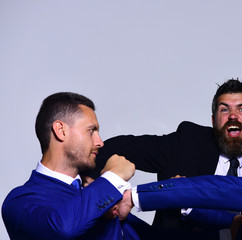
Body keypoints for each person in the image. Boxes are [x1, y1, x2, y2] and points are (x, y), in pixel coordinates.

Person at [85, 79, 242, 239]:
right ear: (213, 121)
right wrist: (92, 182)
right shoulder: (188, 141)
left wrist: (188, 200)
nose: (233, 116)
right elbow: (120, 147)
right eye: (224, 109)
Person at [1, 92, 140, 240]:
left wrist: (135, 200)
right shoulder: (19, 202)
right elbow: (61, 228)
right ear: (61, 131)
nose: (100, 142)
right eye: (91, 131)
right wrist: (114, 176)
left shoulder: (99, 196)